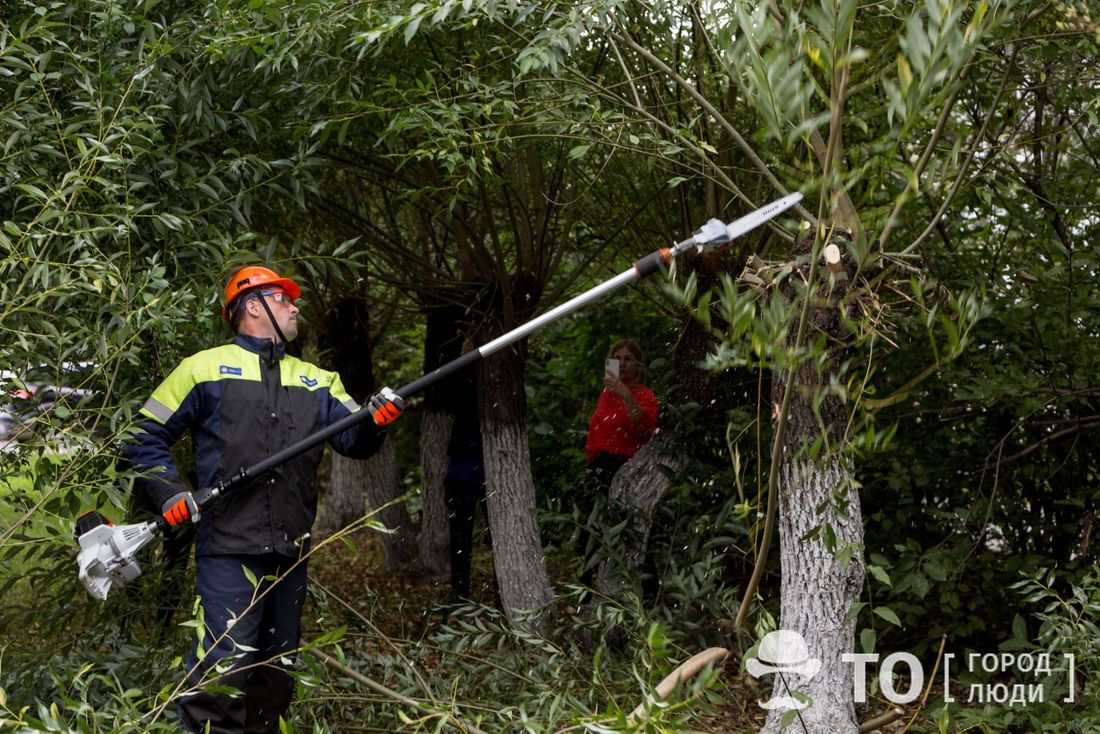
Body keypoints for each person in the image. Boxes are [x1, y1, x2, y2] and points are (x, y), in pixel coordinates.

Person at [124, 265, 404, 734]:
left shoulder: (317, 379)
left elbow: (355, 441)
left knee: (273, 679)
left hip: (290, 551)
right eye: (283, 299)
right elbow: (141, 437)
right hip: (228, 548)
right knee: (220, 678)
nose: (295, 308)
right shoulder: (202, 369)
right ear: (252, 306)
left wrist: (378, 420)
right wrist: (171, 492)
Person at [578, 338, 659, 591]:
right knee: (590, 530)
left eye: (628, 359)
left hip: (624, 467)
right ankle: (592, 586)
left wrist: (626, 395)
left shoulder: (645, 395)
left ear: (638, 364)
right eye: (617, 359)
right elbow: (597, 431)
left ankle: (647, 590)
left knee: (631, 530)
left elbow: (643, 427)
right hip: (598, 466)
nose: (622, 364)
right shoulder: (606, 394)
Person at [443, 365, 487, 601]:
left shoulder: (499, 378)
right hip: (461, 472)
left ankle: (505, 592)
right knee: (460, 537)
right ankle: (459, 593)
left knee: (498, 539)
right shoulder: (463, 379)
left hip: (493, 474)